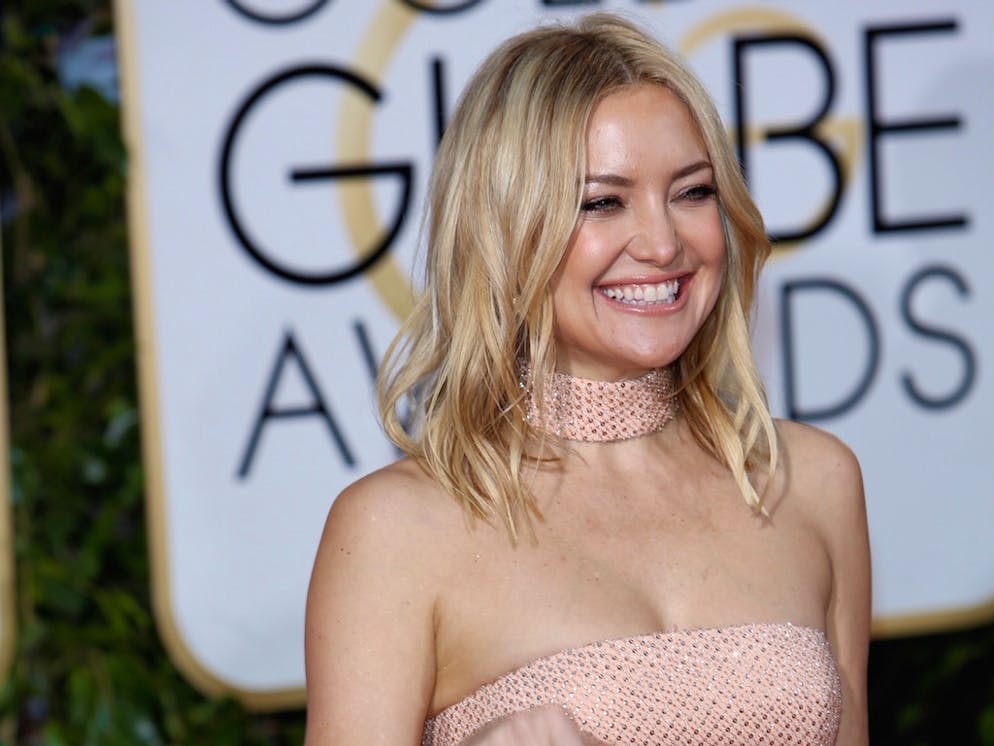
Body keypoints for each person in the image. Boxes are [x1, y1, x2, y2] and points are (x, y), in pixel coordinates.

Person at [304, 12, 871, 746]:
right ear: (504, 231)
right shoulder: (396, 531)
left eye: (692, 192)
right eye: (602, 202)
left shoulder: (814, 482)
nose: (664, 242)